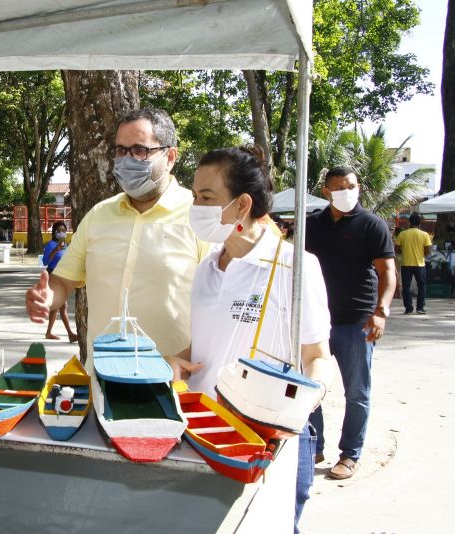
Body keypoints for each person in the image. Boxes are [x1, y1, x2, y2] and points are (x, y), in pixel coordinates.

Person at [173, 146, 334, 533]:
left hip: (265, 443)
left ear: (242, 204)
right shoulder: (206, 268)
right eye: (195, 195)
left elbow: (317, 356)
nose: (195, 205)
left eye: (206, 197)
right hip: (200, 433)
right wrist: (175, 361)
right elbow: (203, 344)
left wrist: (303, 404)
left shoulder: (295, 267)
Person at [26, 107, 206, 369]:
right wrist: (46, 297)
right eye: (121, 150)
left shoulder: (197, 215)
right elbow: (63, 282)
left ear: (170, 157)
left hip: (173, 384)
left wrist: (185, 363)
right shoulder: (99, 215)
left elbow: (220, 306)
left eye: (139, 150)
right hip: (102, 380)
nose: (127, 159)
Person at [306, 166, 396, 480]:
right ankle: (313, 445)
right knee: (309, 386)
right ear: (326, 191)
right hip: (315, 319)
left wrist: (380, 312)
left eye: (352, 186)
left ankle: (350, 454)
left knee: (356, 391)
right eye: (340, 187)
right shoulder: (312, 225)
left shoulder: (372, 225)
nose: (347, 191)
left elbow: (388, 273)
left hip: (356, 321)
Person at [42, 221, 78, 342]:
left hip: (62, 276)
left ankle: (50, 332)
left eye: (63, 230)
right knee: (62, 306)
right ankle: (70, 334)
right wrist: (55, 250)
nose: (61, 233)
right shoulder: (51, 245)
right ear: (54, 232)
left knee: (59, 306)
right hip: (52, 275)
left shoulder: (66, 245)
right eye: (59, 231)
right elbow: (45, 262)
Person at [395, 212, 432, 314]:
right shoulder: (424, 235)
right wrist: (421, 252)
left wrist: (406, 250)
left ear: (409, 222)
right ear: (419, 223)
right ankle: (420, 308)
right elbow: (428, 251)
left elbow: (397, 249)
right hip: (420, 265)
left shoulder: (402, 234)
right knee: (422, 286)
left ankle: (408, 308)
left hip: (406, 264)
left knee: (406, 287)